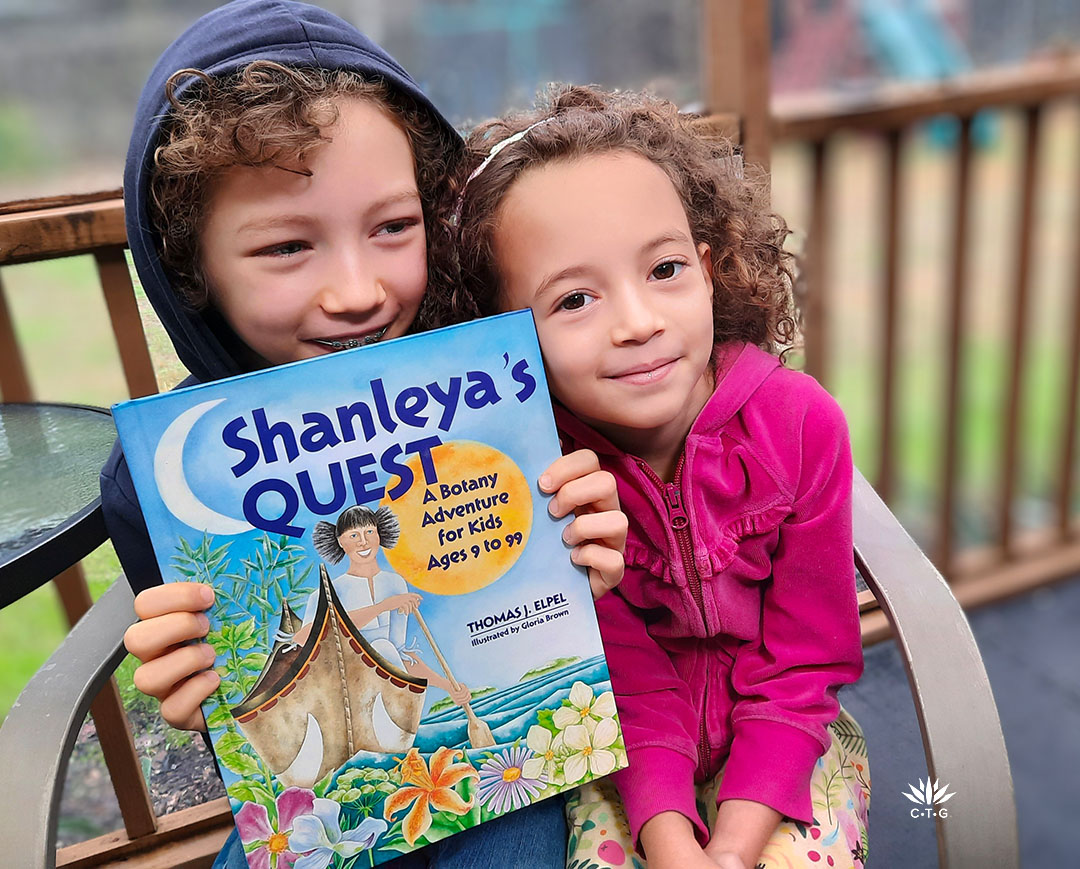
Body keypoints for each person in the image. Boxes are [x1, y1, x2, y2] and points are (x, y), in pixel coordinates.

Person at [104, 5, 627, 868]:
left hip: (505, 777)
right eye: (284, 247)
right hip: (319, 808)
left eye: (393, 227)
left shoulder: (504, 391)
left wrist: (586, 566)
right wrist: (196, 681)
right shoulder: (156, 478)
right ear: (189, 266)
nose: (356, 290)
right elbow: (250, 725)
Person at [447, 85, 870, 869]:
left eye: (665, 268)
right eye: (575, 298)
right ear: (507, 337)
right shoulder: (542, 485)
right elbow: (629, 688)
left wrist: (736, 850)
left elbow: (806, 663)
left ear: (709, 272)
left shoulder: (803, 425)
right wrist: (674, 845)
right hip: (620, 750)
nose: (637, 320)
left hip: (789, 736)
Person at [290, 505, 471, 706]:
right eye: (353, 536)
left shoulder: (395, 584)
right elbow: (303, 638)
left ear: (380, 535)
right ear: (341, 541)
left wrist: (448, 686)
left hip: (392, 685)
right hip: (347, 687)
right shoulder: (330, 591)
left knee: (385, 647)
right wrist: (382, 607)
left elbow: (399, 654)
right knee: (381, 647)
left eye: (369, 532)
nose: (363, 542)